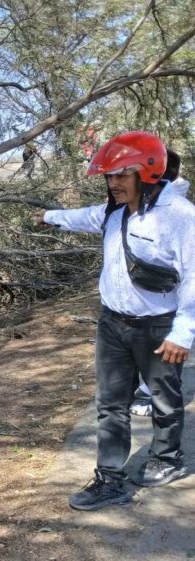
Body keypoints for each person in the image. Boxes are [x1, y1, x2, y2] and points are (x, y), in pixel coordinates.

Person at [34, 131, 194, 511]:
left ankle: (167, 459)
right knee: (110, 403)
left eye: (122, 174)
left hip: (159, 326)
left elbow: (193, 277)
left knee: (165, 400)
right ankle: (110, 479)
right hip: (113, 324)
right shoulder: (115, 212)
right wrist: (47, 216)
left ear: (148, 172)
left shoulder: (181, 218)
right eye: (109, 176)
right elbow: (84, 216)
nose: (113, 183)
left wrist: (183, 333)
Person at [130, 149, 191, 416]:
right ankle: (150, 390)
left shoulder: (176, 206)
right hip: (153, 294)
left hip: (166, 295)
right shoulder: (149, 199)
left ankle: (151, 394)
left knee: (163, 346)